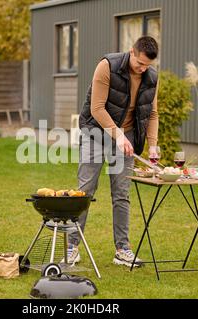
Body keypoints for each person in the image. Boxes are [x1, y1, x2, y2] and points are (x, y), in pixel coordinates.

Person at [66, 36, 160, 267]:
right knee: (85, 189)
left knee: (121, 193)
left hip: (125, 134)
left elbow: (153, 113)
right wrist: (117, 135)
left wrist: (153, 145)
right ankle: (71, 247)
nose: (142, 69)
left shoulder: (151, 77)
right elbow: (97, 108)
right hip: (96, 132)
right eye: (139, 63)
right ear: (131, 52)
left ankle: (122, 250)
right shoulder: (107, 66)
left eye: (147, 65)